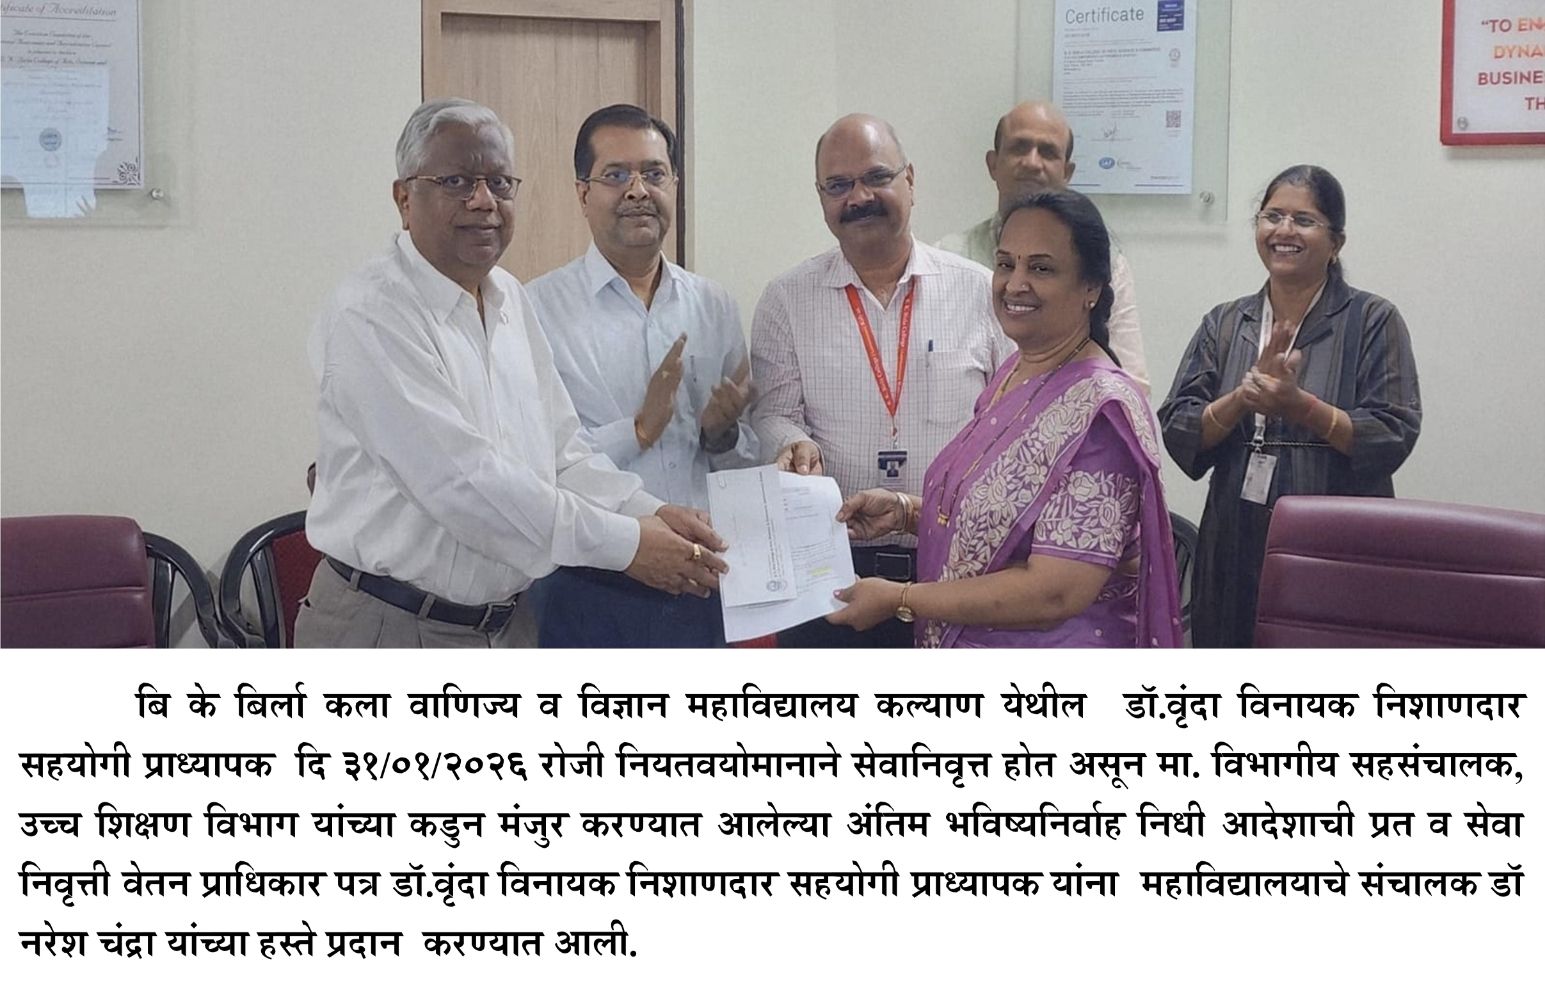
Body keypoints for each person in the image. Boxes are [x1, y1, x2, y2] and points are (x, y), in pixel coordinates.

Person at [298, 98, 726, 648]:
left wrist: (650, 511)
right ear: (404, 198)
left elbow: (563, 454)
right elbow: (464, 487)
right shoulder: (371, 314)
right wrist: (629, 545)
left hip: (507, 625)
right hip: (390, 626)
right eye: (456, 181)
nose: (484, 201)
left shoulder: (510, 298)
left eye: (500, 183)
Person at [827, 189, 1182, 648]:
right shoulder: (1015, 372)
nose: (1015, 284)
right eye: (1005, 264)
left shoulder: (1100, 414)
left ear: (1091, 287)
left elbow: (1055, 590)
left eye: (1041, 268)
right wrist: (906, 512)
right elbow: (1003, 518)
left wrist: (902, 598)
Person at [750, 113, 1008, 648]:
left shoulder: (979, 293)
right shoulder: (786, 299)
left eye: (876, 177)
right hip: (832, 577)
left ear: (910, 180)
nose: (858, 197)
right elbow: (773, 413)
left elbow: (1009, 427)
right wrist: (790, 441)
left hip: (957, 569)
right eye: (838, 185)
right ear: (821, 197)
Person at [1157, 165, 1421, 648]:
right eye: (1272, 216)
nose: (1284, 230)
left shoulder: (1372, 319)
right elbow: (1179, 427)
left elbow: (1392, 432)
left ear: (1336, 242)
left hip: (1339, 541)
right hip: (1234, 537)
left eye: (1303, 220)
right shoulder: (1225, 322)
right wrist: (1243, 398)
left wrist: (1300, 405)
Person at [525, 104, 757, 647]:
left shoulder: (713, 305)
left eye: (654, 173)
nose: (637, 191)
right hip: (590, 586)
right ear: (583, 194)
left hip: (702, 583)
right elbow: (536, 464)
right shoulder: (535, 310)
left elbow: (744, 466)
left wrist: (721, 436)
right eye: (615, 175)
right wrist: (637, 431)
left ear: (674, 184)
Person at [937, 100, 1149, 392]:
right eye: (1019, 148)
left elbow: (1131, 382)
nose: (1032, 163)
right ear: (993, 164)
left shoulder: (1105, 261)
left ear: (1067, 172)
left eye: (1047, 152)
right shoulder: (950, 257)